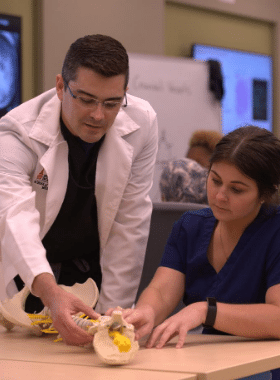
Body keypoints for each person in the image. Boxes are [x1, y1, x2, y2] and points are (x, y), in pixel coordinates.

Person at [0, 34, 158, 345]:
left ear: (125, 93)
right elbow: (13, 219)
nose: (98, 115)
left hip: (86, 271)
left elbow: (130, 225)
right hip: (23, 273)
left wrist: (113, 316)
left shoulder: (142, 124)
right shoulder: (17, 134)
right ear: (61, 87)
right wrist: (49, 292)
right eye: (86, 99)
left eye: (112, 103)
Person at [118, 126, 280, 379]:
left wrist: (206, 311)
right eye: (215, 180)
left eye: (236, 189)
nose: (219, 195)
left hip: (262, 367)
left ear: (266, 193)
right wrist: (146, 312)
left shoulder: (275, 232)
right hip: (211, 363)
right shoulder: (190, 226)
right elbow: (161, 291)